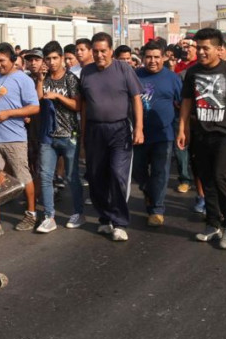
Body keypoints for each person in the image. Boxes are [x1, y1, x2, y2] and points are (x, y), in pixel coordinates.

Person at [177, 28, 226, 250]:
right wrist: (183, 130)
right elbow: (187, 103)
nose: (200, 52)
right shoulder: (192, 73)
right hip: (200, 134)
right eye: (197, 48)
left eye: (205, 48)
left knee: (221, 177)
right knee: (206, 180)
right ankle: (212, 223)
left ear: (219, 50)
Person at [78, 32, 144, 242]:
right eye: (95, 51)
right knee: (96, 177)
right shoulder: (86, 72)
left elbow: (136, 99)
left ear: (111, 52)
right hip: (94, 131)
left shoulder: (124, 69)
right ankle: (105, 218)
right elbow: (85, 105)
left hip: (120, 130)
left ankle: (119, 222)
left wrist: (139, 128)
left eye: (103, 51)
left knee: (117, 174)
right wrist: (83, 134)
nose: (99, 55)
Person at [0, 42, 40, 238]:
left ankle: (31, 213)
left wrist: (8, 114)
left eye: (1, 61)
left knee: (23, 176)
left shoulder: (23, 80)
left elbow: (34, 107)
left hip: (14, 139)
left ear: (12, 60)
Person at [35, 40, 84, 232]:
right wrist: (40, 80)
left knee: (72, 177)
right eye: (48, 58)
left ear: (62, 58)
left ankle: (79, 213)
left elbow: (77, 106)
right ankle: (49, 217)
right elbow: (37, 101)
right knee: (46, 176)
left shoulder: (71, 79)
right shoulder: (44, 79)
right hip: (48, 136)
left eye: (55, 58)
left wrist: (58, 96)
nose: (52, 62)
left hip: (69, 135)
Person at [134, 41, 182, 227]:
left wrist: (181, 129)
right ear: (143, 58)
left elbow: (181, 104)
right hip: (139, 134)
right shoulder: (135, 75)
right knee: (138, 171)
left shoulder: (173, 78)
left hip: (164, 135)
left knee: (160, 173)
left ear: (164, 57)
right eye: (148, 57)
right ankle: (149, 191)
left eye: (156, 57)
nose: (152, 61)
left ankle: (157, 210)